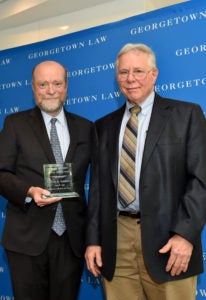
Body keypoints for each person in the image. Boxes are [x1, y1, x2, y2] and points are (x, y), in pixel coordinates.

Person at [85, 43, 206, 300]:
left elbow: (201, 179)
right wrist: (93, 240)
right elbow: (97, 190)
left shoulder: (187, 115)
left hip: (169, 239)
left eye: (138, 71)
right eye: (123, 72)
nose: (130, 79)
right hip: (115, 243)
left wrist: (185, 235)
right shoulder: (103, 127)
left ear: (154, 74)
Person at [0, 60, 95, 300]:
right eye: (43, 84)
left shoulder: (86, 128)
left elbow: (101, 182)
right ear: (33, 88)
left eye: (56, 83)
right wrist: (28, 190)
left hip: (71, 238)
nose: (50, 90)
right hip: (26, 238)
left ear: (66, 86)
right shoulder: (15, 124)